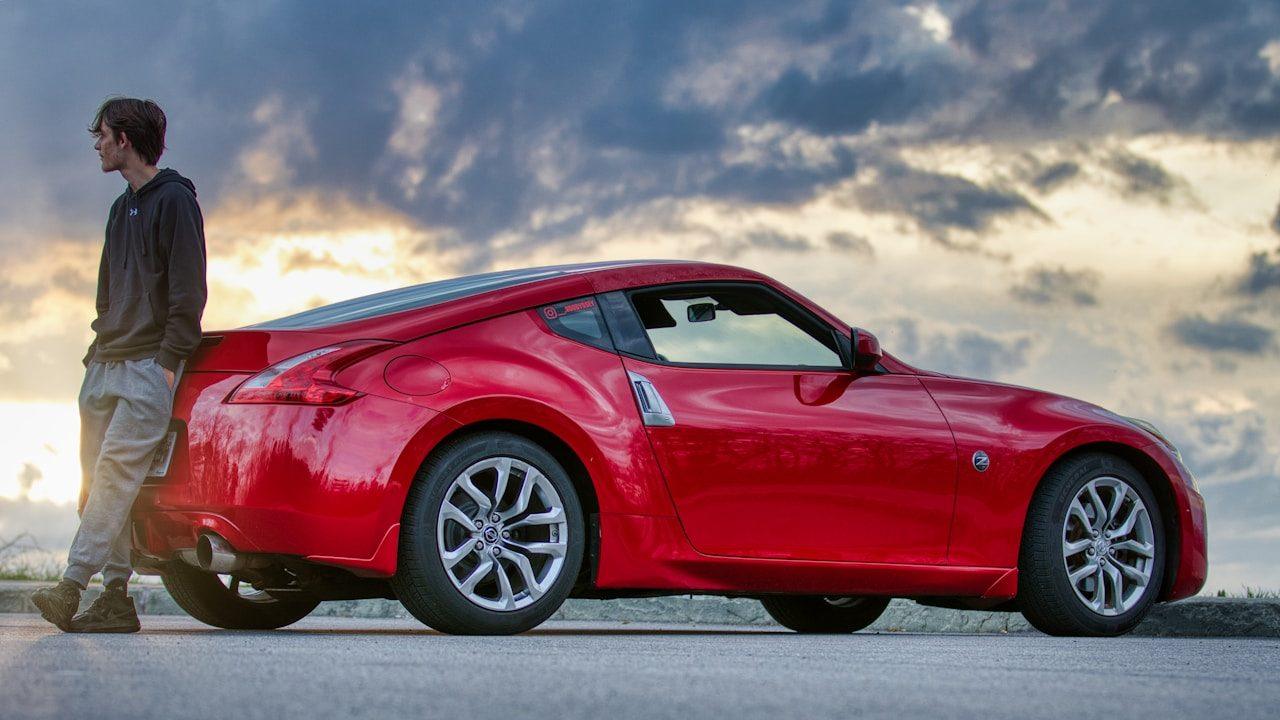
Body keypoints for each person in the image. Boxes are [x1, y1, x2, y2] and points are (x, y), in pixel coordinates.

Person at [30, 97, 207, 633]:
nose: (97, 145)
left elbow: (189, 293)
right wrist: (94, 354)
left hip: (147, 370)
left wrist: (166, 367)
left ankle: (71, 586)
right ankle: (115, 598)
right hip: (105, 364)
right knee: (99, 485)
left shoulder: (174, 199)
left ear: (125, 139)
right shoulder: (118, 208)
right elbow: (107, 292)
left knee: (113, 476)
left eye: (102, 136)